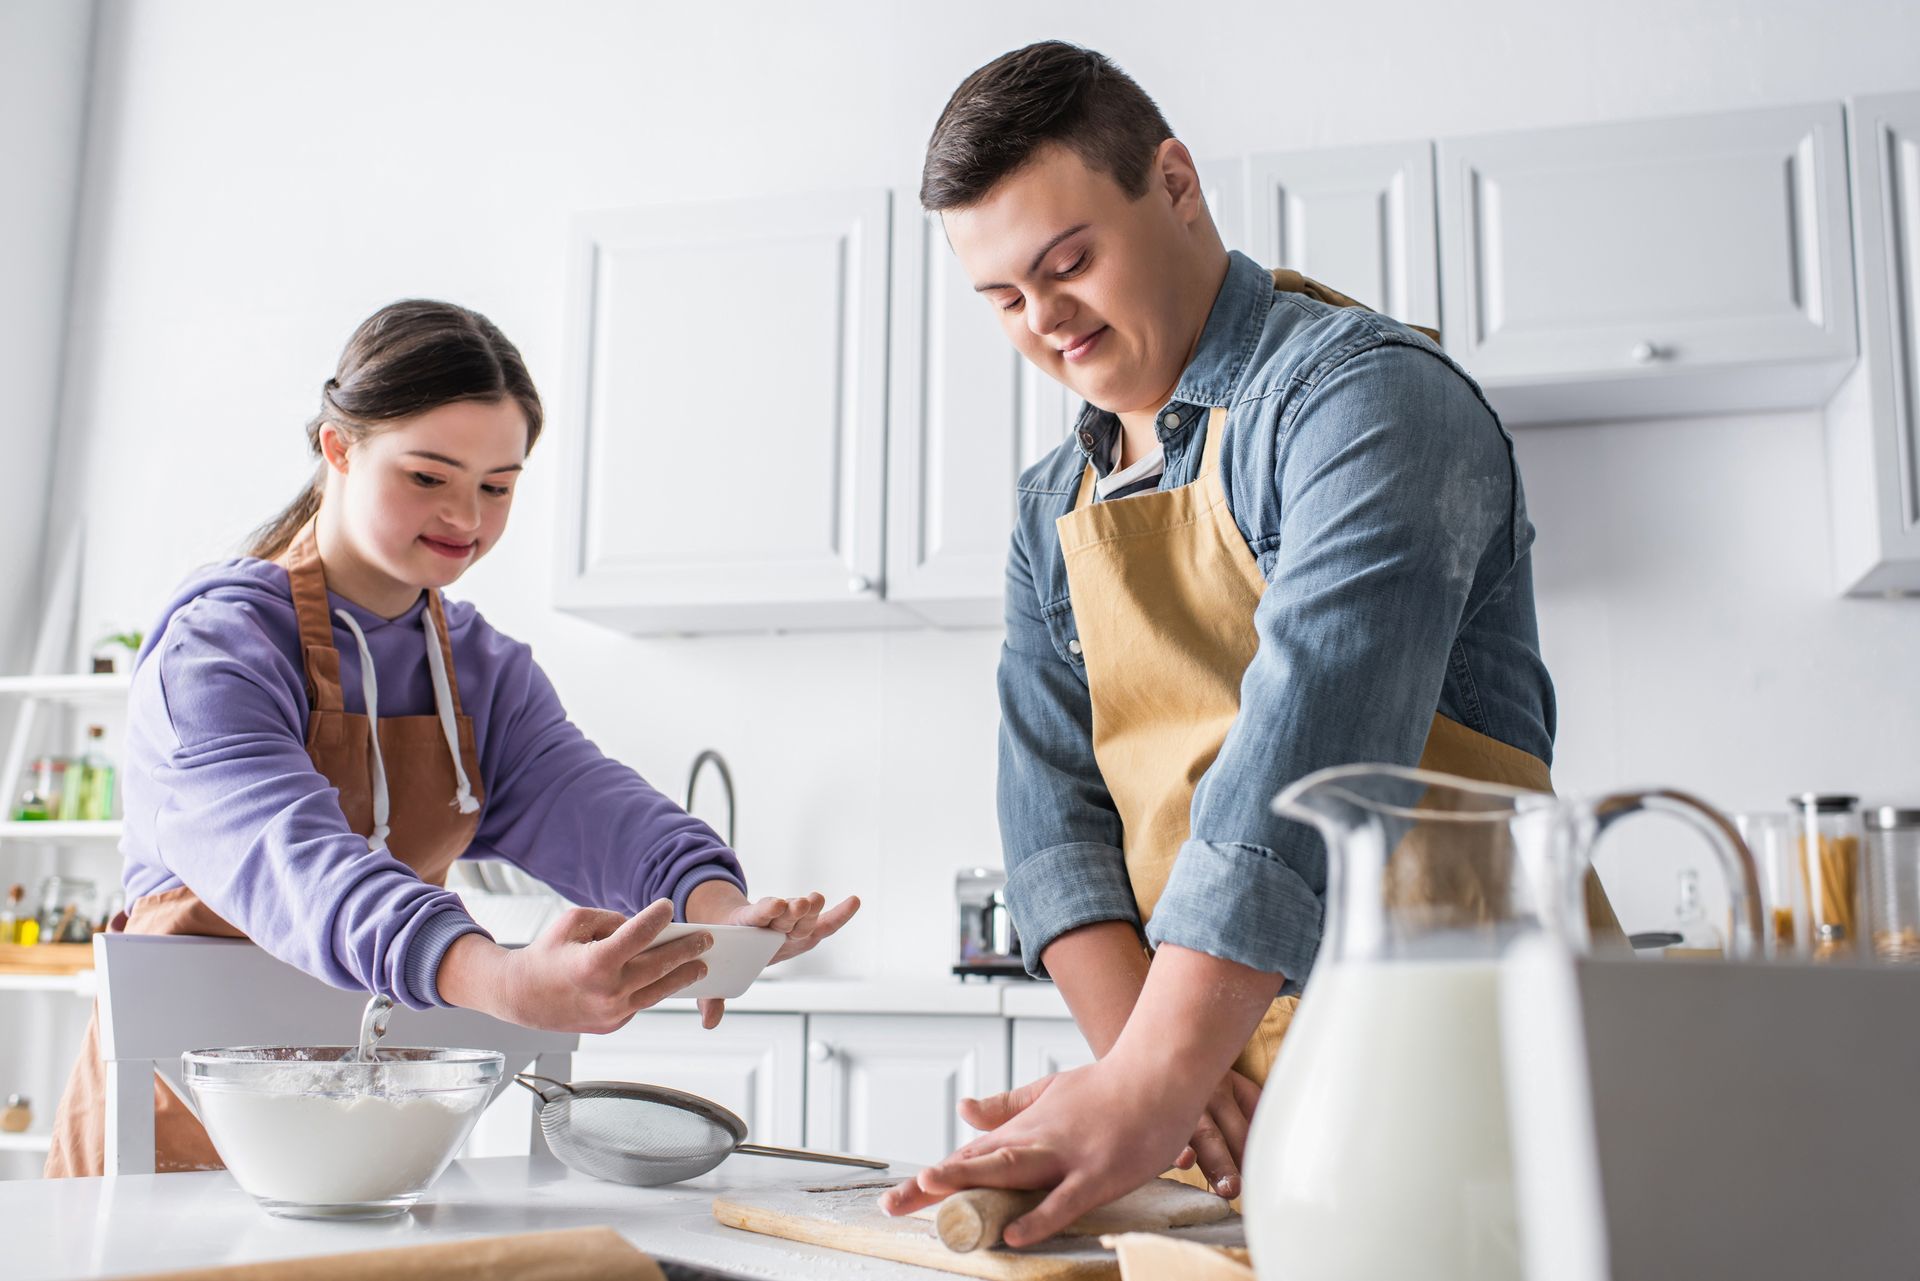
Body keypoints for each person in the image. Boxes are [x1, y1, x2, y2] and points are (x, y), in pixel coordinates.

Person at [881, 41, 1607, 1244]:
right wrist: (1169, 1092)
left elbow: (1307, 758)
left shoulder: (1364, 403)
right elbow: (1053, 829)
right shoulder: (1043, 511)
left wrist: (1156, 1082)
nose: (1046, 320)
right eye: (1003, 299)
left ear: (1174, 183)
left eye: (1067, 264)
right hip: (1222, 1090)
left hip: (1464, 1053)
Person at [45, 300, 859, 1177]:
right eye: (429, 476)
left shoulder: (481, 673)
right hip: (178, 1145)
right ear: (338, 448)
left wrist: (716, 914)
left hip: (377, 1140)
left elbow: (593, 805)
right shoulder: (215, 652)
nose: (465, 517)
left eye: (497, 485)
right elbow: (296, 862)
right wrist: (499, 980)